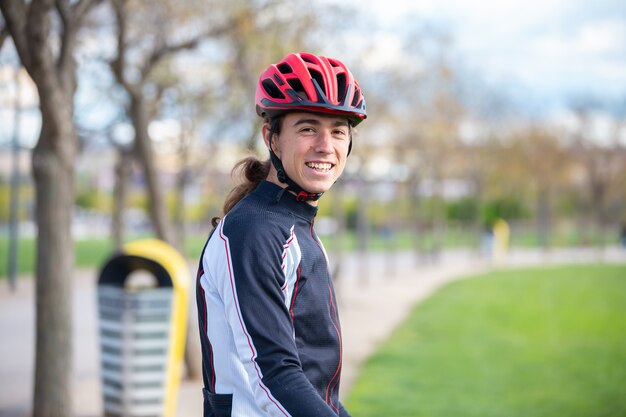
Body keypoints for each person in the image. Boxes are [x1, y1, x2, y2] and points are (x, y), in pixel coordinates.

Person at [195, 52, 367, 417]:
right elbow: (274, 375)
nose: (325, 145)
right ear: (272, 138)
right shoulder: (253, 232)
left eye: (338, 131)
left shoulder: (293, 224)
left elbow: (313, 378)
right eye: (308, 128)